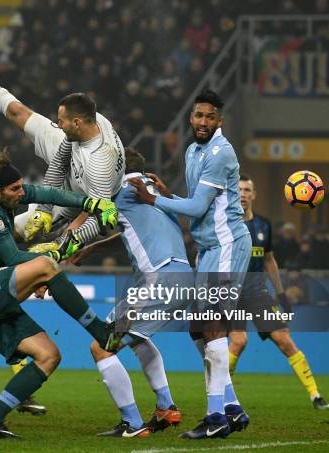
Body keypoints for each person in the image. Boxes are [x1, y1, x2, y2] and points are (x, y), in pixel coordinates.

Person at [0, 154, 119, 438]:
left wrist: (90, 202)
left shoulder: (4, 197)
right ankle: (101, 331)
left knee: (49, 356)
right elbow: (13, 258)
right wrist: (54, 256)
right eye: (15, 189)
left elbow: (47, 193)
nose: (21, 194)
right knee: (44, 264)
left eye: (20, 187)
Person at [130, 90, 251, 439]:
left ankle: (216, 419)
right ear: (192, 117)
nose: (202, 122)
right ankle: (232, 407)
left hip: (227, 246)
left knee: (212, 327)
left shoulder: (220, 153)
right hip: (207, 248)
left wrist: (155, 200)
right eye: (198, 115)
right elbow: (200, 204)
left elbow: (197, 209)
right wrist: (168, 198)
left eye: (209, 117)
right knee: (198, 329)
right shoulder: (193, 151)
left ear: (219, 121)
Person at [0, 41, 125, 250]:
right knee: (17, 110)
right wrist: (44, 206)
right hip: (73, 153)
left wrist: (60, 249)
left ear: (77, 123)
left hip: (74, 198)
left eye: (62, 121)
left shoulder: (100, 165)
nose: (58, 124)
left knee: (14, 232)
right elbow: (61, 159)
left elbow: (98, 217)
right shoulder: (89, 122)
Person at [70, 149, 189, 438]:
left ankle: (133, 424)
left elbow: (85, 224)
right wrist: (95, 248)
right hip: (184, 275)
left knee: (101, 346)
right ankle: (166, 407)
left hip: (158, 278)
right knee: (138, 341)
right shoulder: (157, 194)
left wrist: (66, 247)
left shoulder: (119, 191)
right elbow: (128, 230)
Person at [230, 175, 329, 410]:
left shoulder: (264, 225)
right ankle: (221, 393)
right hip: (232, 293)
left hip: (258, 292)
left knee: (284, 339)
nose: (243, 194)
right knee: (239, 341)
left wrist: (282, 293)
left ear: (254, 195)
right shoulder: (226, 224)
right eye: (239, 190)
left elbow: (269, 259)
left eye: (247, 189)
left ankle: (315, 395)